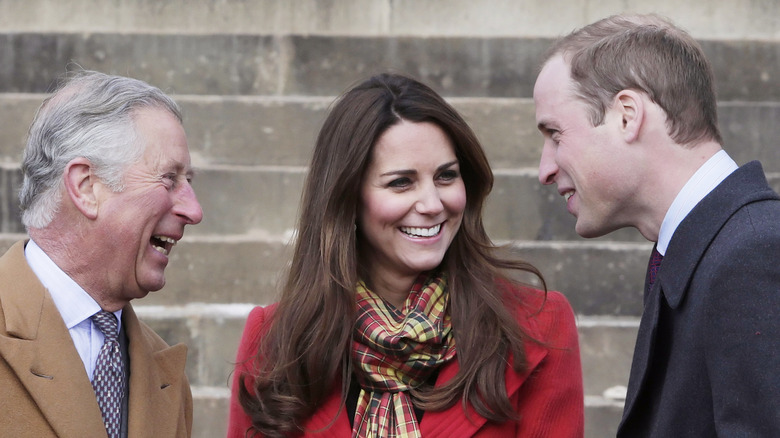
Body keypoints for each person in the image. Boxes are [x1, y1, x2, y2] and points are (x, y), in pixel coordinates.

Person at [228, 73, 584, 437]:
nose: (432, 204)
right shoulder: (276, 340)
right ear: (348, 198)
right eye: (401, 182)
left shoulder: (539, 326)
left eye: (446, 176)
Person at [534, 13, 780, 437]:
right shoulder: (716, 248)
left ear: (627, 115)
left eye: (555, 134)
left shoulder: (753, 252)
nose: (545, 168)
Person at [0, 70, 203, 437]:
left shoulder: (164, 374)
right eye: (169, 179)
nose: (194, 210)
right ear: (86, 186)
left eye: (189, 182)